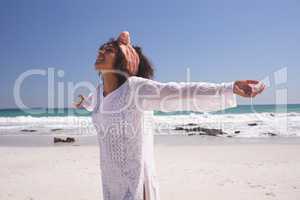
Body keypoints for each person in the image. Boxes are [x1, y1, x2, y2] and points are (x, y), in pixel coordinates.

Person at [74, 31, 265, 200]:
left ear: (124, 60)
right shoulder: (98, 93)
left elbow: (180, 92)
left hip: (136, 185)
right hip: (110, 183)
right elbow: (93, 102)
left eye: (109, 50)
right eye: (101, 48)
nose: (100, 51)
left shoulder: (135, 89)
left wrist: (229, 88)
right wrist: (83, 102)